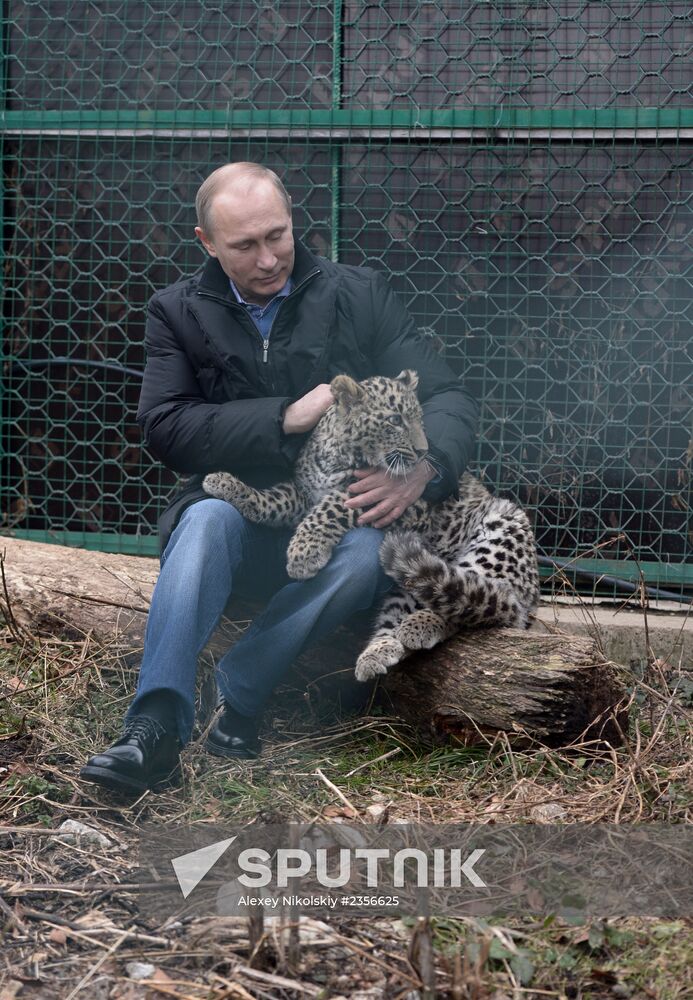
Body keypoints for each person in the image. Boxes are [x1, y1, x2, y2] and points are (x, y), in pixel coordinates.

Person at [80, 162, 478, 795]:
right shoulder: (177, 311)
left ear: (294, 222)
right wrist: (283, 418)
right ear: (207, 243)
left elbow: (449, 397)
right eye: (245, 245)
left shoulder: (358, 294)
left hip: (340, 522)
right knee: (205, 519)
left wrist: (424, 473)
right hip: (241, 517)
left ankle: (238, 693)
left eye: (278, 235)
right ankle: (153, 725)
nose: (268, 259)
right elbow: (165, 426)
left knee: (368, 550)